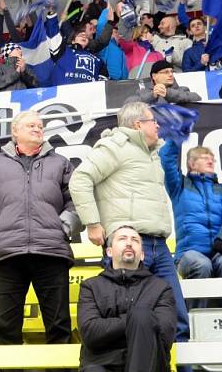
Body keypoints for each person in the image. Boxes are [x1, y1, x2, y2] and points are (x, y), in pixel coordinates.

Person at [68, 101, 190, 341]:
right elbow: (80, 178)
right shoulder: (114, 146)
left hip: (159, 244)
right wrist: (92, 223)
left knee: (176, 318)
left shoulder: (153, 153)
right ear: (137, 124)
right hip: (127, 243)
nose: (158, 125)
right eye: (153, 121)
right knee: (126, 318)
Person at [0, 111, 81, 346]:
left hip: (51, 252)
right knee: (7, 330)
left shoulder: (60, 163)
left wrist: (63, 227)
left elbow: (77, 199)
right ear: (15, 131)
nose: (38, 129)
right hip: (9, 254)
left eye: (40, 126)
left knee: (59, 327)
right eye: (31, 125)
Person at [78, 225, 177, 372]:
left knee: (142, 316)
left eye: (135, 240)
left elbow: (164, 338)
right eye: (122, 239)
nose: (129, 243)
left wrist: (114, 326)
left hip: (150, 365)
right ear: (109, 251)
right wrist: (135, 323)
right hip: (103, 364)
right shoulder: (91, 287)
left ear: (142, 255)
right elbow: (91, 333)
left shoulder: (161, 288)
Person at [160, 143, 222, 308]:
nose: (211, 162)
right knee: (202, 264)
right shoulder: (180, 186)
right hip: (190, 254)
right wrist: (176, 136)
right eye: (205, 158)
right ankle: (195, 321)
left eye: (212, 159)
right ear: (191, 164)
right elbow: (167, 160)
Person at [46, 14, 105, 85]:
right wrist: (52, 15)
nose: (84, 36)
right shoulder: (63, 50)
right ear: (73, 40)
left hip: (87, 94)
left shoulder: (98, 60)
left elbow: (104, 84)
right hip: (63, 92)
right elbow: (53, 36)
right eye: (80, 35)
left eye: (86, 36)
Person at [128, 60, 201, 105]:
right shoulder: (143, 92)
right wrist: (152, 96)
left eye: (172, 72)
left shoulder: (182, 90)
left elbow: (197, 97)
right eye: (166, 72)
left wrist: (167, 93)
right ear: (154, 76)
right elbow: (127, 104)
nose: (170, 74)